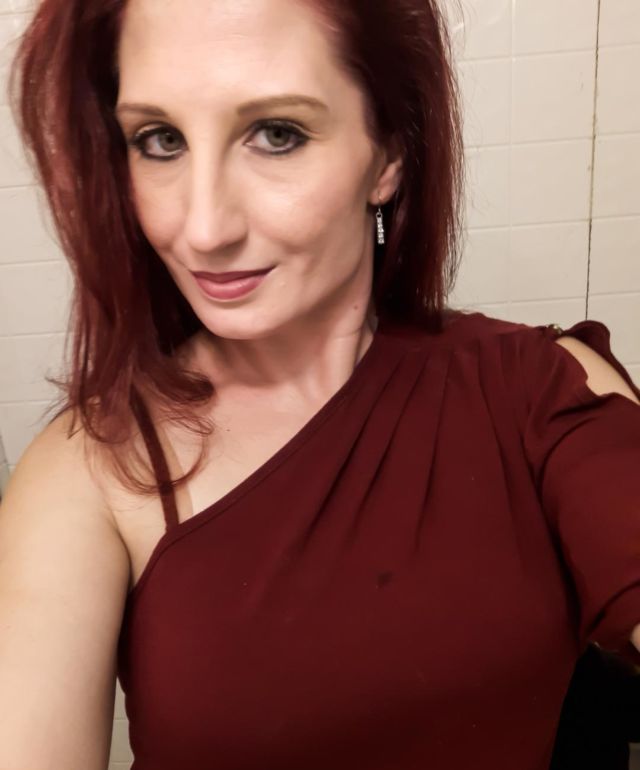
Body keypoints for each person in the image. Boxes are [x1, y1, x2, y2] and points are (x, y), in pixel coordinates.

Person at [0, 0, 639, 768]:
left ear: (388, 155)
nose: (202, 227)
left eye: (277, 134)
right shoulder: (91, 468)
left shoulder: (539, 389)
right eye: (160, 139)